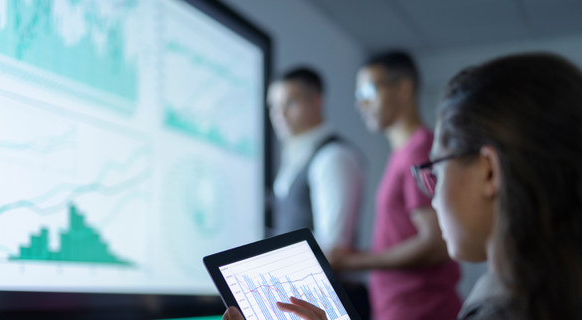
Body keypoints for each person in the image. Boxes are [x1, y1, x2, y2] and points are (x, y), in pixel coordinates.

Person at [223, 52, 582, 320]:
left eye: (435, 172)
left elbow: (432, 242)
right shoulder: (526, 294)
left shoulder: (502, 308)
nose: (434, 196)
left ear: (489, 172)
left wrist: (354, 259)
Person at [330, 51, 461, 320]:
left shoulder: (419, 150)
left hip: (421, 310)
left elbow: (435, 243)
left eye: (368, 91)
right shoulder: (403, 152)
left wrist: (350, 261)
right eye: (358, 96)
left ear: (402, 89)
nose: (361, 104)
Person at [266, 67, 368, 318]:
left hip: (327, 305)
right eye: (272, 106)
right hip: (304, 302)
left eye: (289, 103)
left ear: (316, 101)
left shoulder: (333, 157)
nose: (279, 114)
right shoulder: (298, 157)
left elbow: (333, 248)